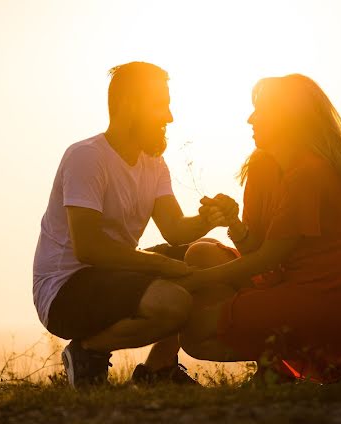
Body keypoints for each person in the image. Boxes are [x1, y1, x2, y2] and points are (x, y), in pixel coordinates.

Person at [32, 62, 235, 389]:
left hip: (114, 273)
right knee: (175, 301)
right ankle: (87, 352)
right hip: (66, 290)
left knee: (208, 254)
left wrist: (208, 220)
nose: (169, 117)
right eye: (161, 105)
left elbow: (173, 229)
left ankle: (159, 370)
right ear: (130, 105)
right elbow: (89, 248)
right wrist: (160, 265)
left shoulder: (153, 162)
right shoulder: (87, 157)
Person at [175, 74, 341, 383]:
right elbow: (256, 250)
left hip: (320, 298)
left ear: (286, 119)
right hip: (285, 281)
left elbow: (267, 258)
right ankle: (277, 366)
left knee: (194, 335)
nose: (250, 119)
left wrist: (192, 282)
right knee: (201, 252)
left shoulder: (309, 174)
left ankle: (289, 366)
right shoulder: (263, 168)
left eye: (261, 111)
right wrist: (233, 223)